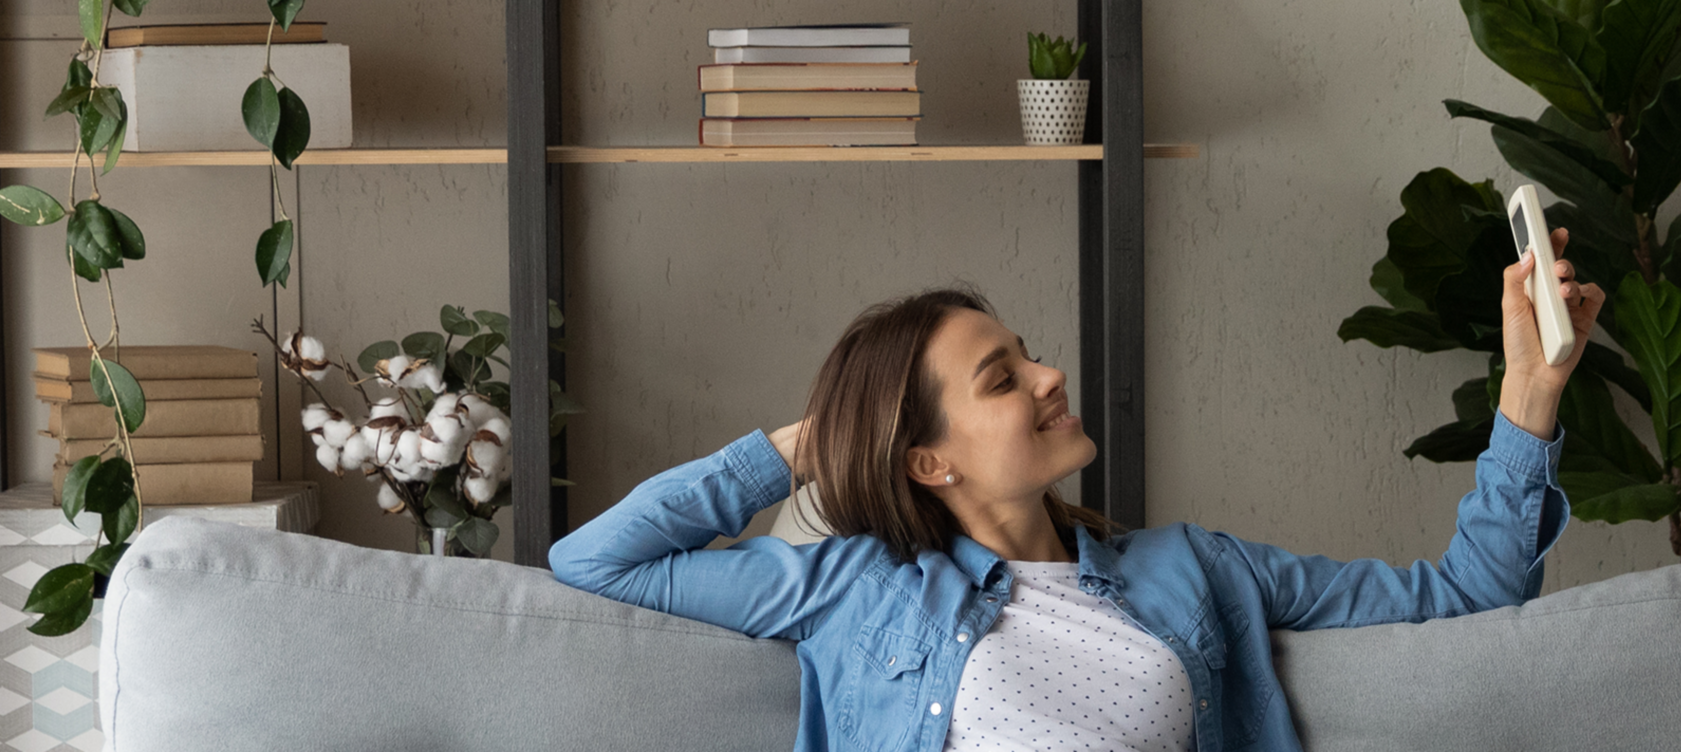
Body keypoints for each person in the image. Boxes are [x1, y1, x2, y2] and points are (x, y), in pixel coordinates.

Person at [550, 234, 1605, 752]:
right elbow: (596, 559)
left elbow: (1466, 592)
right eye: (1003, 377)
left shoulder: (1192, 569)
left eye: (1028, 354)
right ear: (930, 459)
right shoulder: (851, 587)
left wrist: (1529, 391)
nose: (1049, 375)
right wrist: (804, 442)